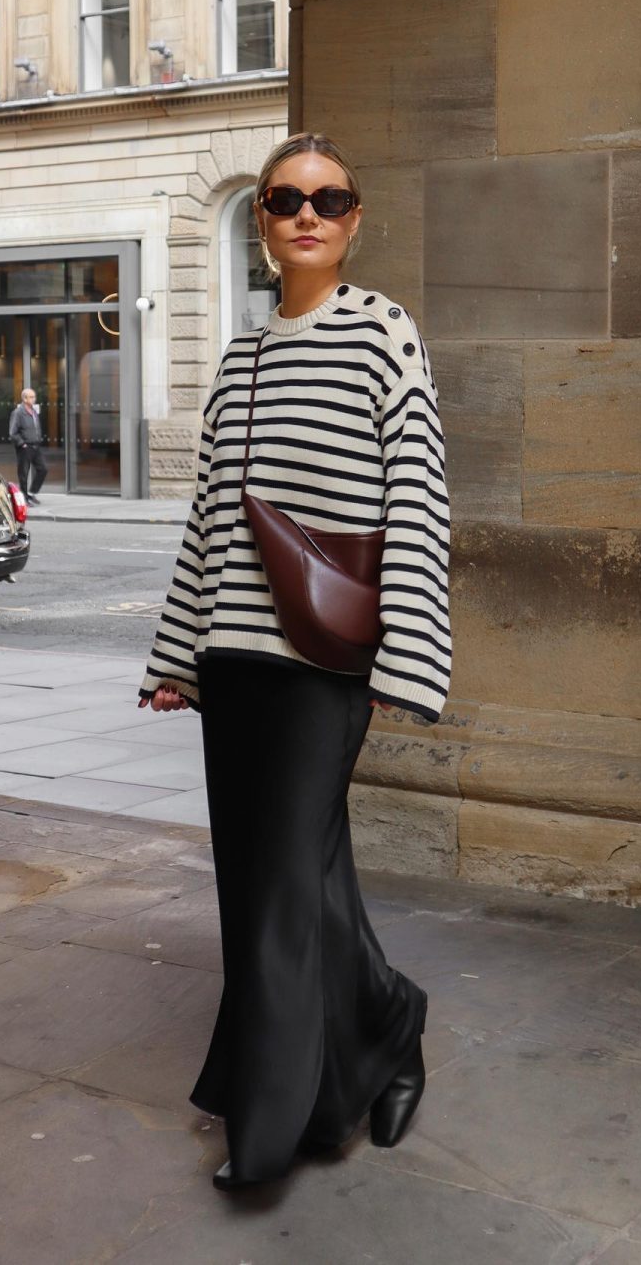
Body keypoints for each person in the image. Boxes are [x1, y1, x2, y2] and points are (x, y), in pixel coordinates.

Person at [137, 132, 452, 1191]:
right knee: (284, 882)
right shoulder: (243, 357)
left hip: (327, 663)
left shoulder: (382, 336)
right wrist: (179, 652)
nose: (306, 214)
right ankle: (389, 1028)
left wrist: (410, 654)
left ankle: (267, 1128)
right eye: (284, 200)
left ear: (355, 220)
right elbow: (211, 525)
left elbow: (416, 494)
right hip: (238, 661)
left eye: (328, 198)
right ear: (263, 226)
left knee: (280, 884)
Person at [8, 388, 47, 504]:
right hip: (24, 447)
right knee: (23, 473)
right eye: (31, 397)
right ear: (24, 398)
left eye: (34, 397)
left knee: (43, 469)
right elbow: (12, 432)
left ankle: (31, 493)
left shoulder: (34, 411)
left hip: (36, 446)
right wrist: (22, 444)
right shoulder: (18, 413)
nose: (34, 399)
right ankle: (24, 497)